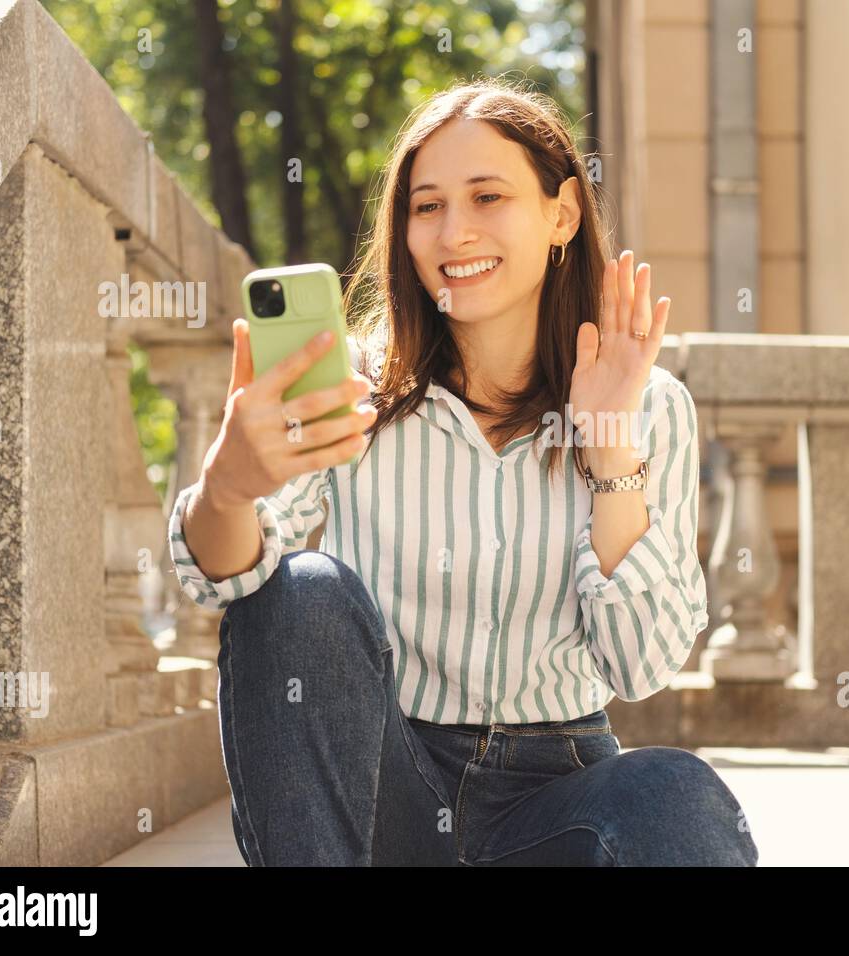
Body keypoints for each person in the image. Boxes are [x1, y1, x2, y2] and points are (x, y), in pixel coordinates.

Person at [168, 76, 758, 867]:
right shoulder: (351, 385)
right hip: (382, 788)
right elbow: (224, 583)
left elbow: (641, 665)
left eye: (487, 197)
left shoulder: (650, 403)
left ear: (562, 214)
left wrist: (609, 442)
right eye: (427, 206)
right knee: (303, 589)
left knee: (676, 797)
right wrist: (229, 486)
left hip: (557, 792)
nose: (455, 233)